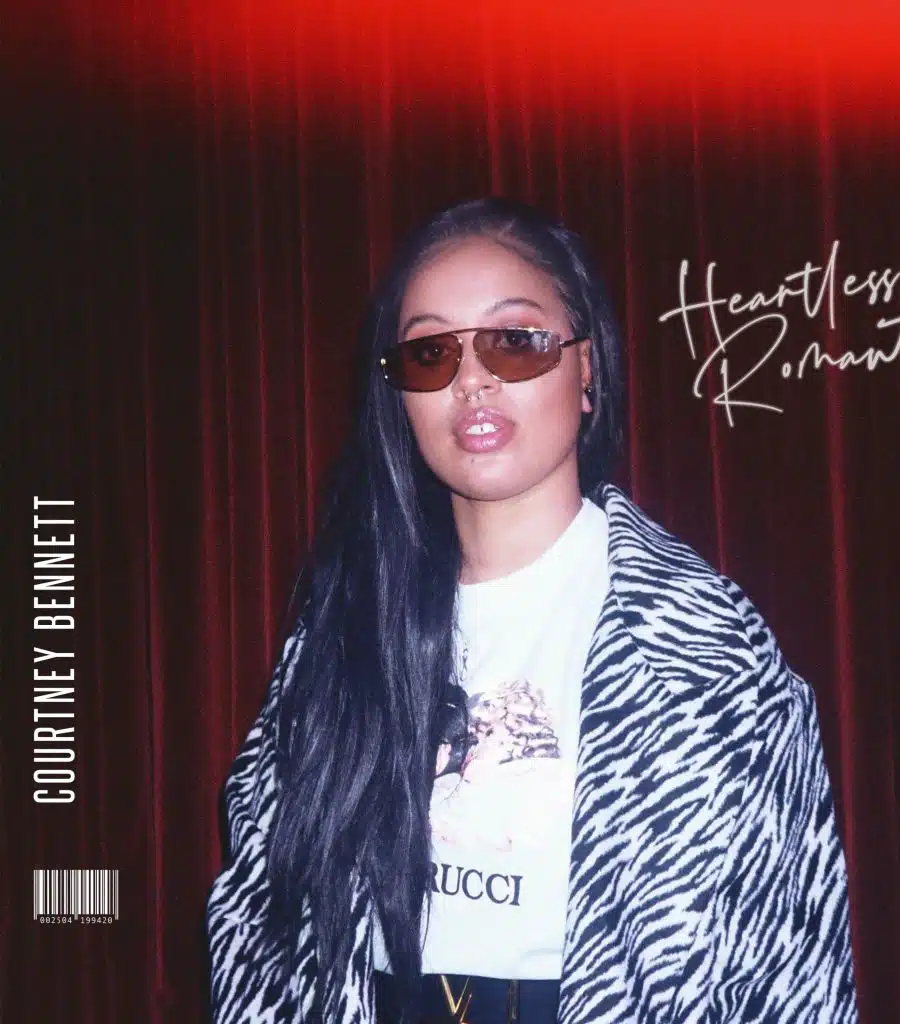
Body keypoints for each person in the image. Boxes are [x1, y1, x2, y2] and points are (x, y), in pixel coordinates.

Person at [205, 196, 859, 1024]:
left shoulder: (706, 650)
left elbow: (791, 966)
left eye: (514, 340)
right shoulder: (340, 634)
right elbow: (260, 920)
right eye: (431, 351)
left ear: (588, 370)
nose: (471, 380)